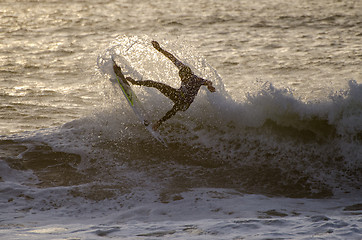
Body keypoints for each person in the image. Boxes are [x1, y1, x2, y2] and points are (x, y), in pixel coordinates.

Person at [113, 41, 216, 130]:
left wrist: (209, 86)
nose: (182, 79)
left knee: (176, 107)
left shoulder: (195, 79)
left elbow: (207, 81)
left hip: (185, 103)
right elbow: (172, 58)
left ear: (188, 75)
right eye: (181, 77)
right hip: (178, 94)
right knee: (158, 85)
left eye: (183, 78)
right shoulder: (182, 68)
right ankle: (135, 82)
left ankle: (159, 122)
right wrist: (159, 49)